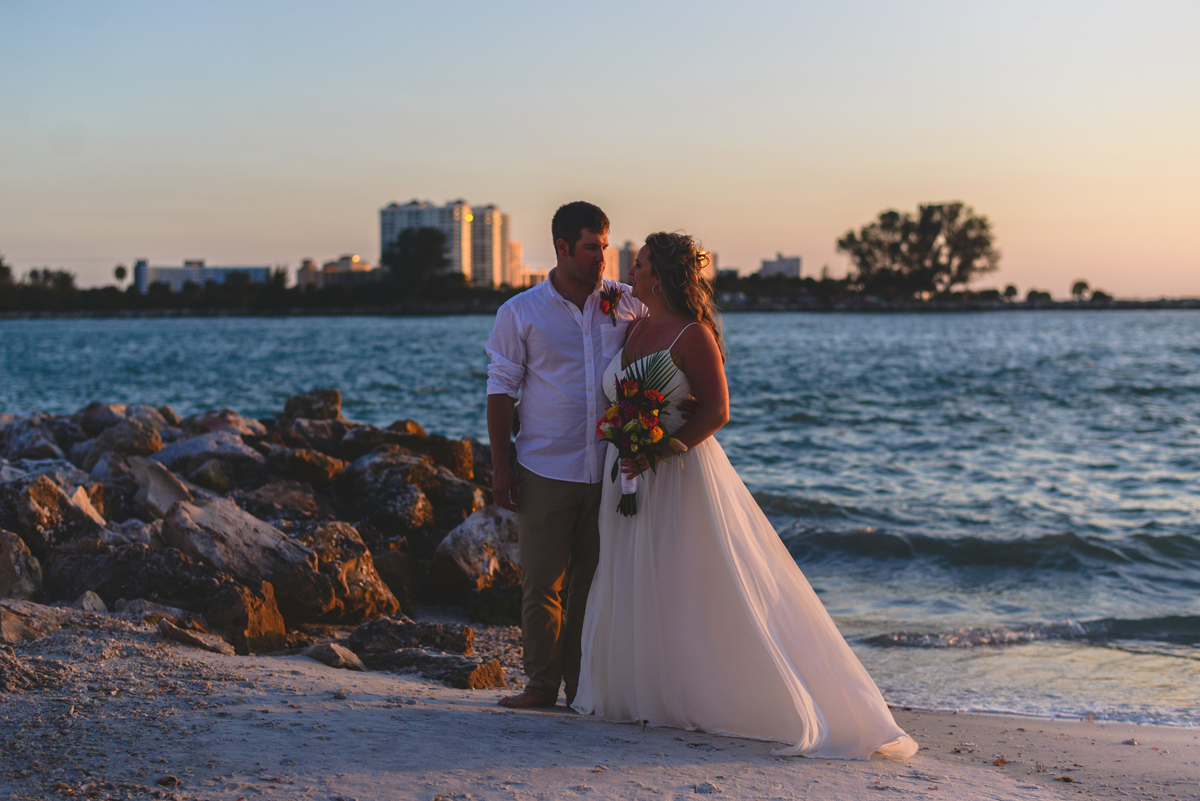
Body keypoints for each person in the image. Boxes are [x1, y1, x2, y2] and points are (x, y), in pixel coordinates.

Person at [571, 232, 919, 760]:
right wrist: (626, 441)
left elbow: (716, 412)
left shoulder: (693, 335)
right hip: (629, 472)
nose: (630, 271)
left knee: (688, 580)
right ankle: (643, 691)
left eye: (638, 264)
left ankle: (717, 691)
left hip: (677, 473)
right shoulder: (636, 326)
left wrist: (658, 449)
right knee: (635, 575)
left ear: (658, 277)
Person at [485, 201, 644, 708]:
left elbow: (669, 346)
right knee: (541, 583)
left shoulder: (626, 303)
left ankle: (581, 688)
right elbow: (501, 391)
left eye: (605, 245)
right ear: (562, 248)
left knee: (591, 587)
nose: (602, 256)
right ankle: (539, 685)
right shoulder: (520, 312)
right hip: (544, 465)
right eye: (591, 247)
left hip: (609, 468)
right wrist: (501, 466)